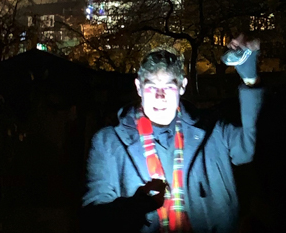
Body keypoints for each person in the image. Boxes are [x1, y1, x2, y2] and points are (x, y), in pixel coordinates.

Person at [82, 34, 262, 233]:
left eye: (168, 87)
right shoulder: (107, 142)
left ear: (182, 86)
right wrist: (134, 207)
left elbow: (252, 147)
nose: (160, 97)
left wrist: (250, 79)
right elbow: (94, 217)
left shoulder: (212, 130)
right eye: (152, 88)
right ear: (138, 88)